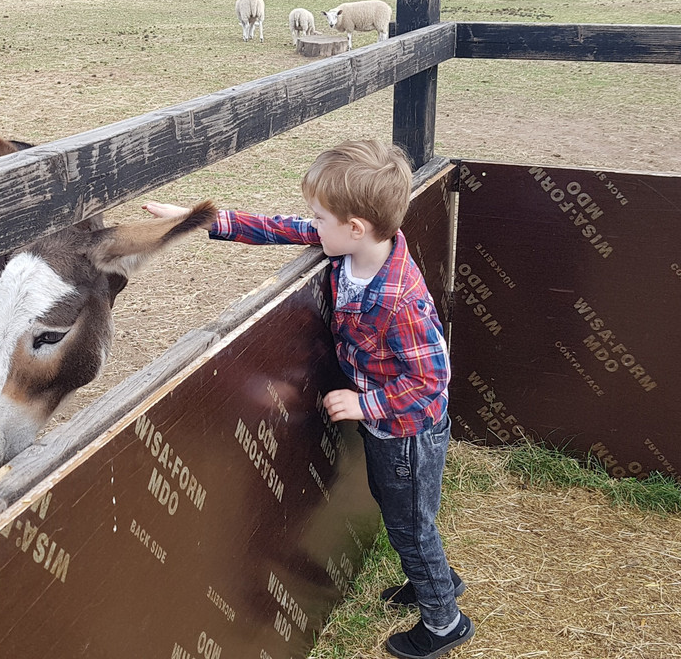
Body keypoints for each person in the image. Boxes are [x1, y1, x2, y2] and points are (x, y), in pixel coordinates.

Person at [143, 139, 474, 659]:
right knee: (409, 516)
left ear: (355, 226)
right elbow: (279, 228)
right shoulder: (351, 246)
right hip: (396, 426)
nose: (310, 225)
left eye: (318, 218)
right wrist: (200, 219)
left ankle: (443, 621)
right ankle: (437, 580)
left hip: (408, 432)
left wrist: (367, 406)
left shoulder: (400, 299)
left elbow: (433, 378)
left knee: (408, 523)